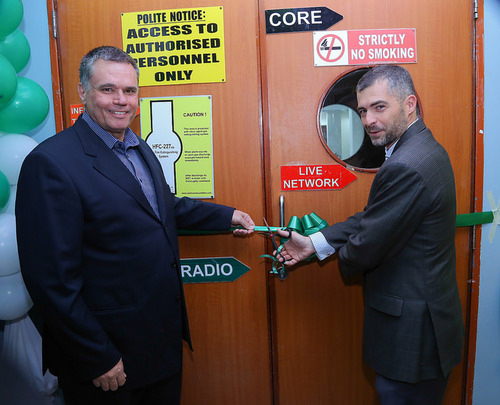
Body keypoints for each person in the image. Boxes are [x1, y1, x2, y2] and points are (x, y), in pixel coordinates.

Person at [15, 45, 255, 405]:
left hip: (159, 345)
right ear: (83, 91)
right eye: (107, 89)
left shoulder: (138, 146)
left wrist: (226, 215)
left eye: (129, 90)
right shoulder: (50, 162)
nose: (121, 101)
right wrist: (97, 355)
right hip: (107, 356)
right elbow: (51, 282)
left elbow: (161, 207)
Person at [277, 65, 464, 405]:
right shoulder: (423, 148)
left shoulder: (407, 164)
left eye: (380, 107)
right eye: (363, 110)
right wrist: (316, 243)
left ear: (409, 104)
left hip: (413, 337)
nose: (368, 120)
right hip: (427, 326)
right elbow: (377, 216)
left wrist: (345, 256)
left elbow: (365, 248)